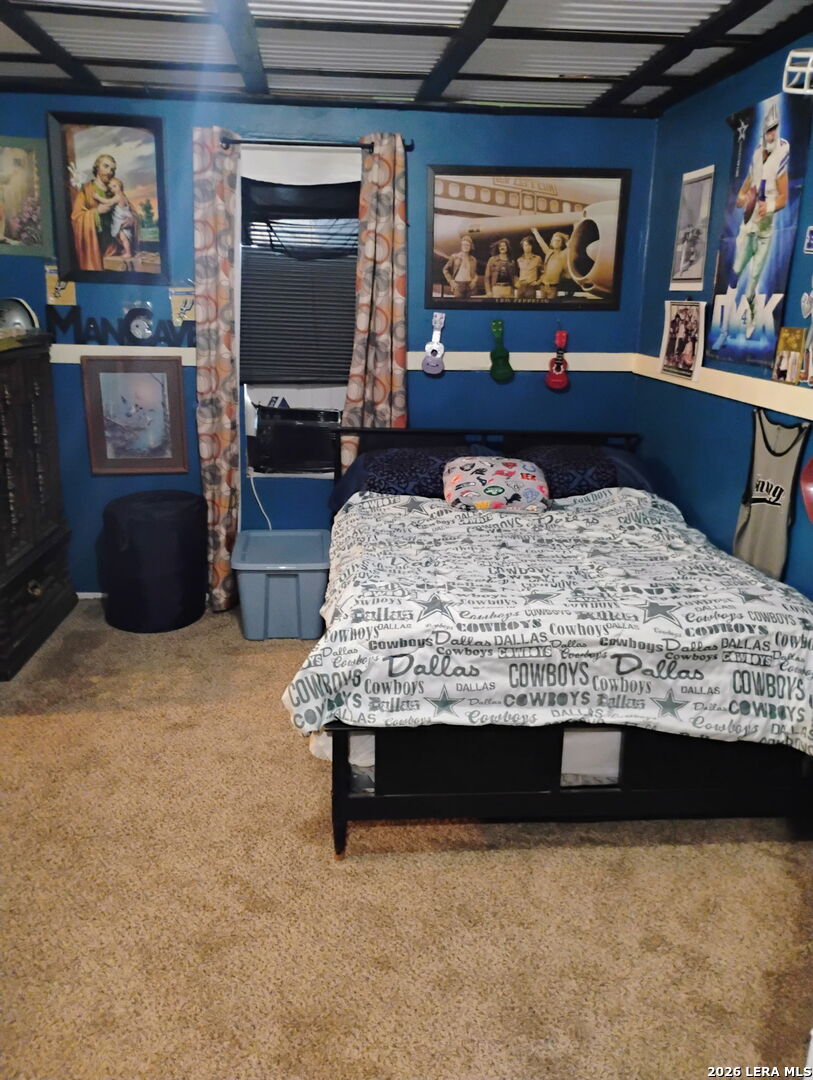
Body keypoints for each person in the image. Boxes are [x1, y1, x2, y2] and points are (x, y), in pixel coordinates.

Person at [714, 96, 790, 348]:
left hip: (765, 232)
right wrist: (742, 198)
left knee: (751, 287)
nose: (771, 133)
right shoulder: (757, 156)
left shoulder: (782, 154)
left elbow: (783, 197)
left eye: (774, 128)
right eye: (768, 129)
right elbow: (745, 189)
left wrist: (769, 206)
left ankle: (753, 316)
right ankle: (724, 329)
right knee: (734, 277)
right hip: (749, 227)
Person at [70, 153, 119, 272]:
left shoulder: (114, 190)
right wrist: (96, 212)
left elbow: (129, 211)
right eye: (106, 166)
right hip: (94, 245)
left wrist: (130, 219)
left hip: (113, 247)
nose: (109, 171)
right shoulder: (86, 190)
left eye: (112, 169)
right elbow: (76, 217)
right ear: (97, 167)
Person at [98, 176, 139, 266]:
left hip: (121, 221)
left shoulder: (118, 197)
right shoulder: (123, 196)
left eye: (114, 186)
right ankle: (126, 250)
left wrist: (97, 197)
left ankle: (128, 252)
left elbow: (108, 202)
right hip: (122, 219)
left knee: (123, 238)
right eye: (111, 188)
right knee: (124, 238)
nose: (112, 189)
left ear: (120, 186)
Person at [442, 234, 478, 299]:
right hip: (458, 285)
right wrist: (451, 281)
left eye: (467, 245)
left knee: (470, 304)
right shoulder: (454, 257)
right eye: (464, 245)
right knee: (458, 303)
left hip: (470, 286)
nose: (465, 246)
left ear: (470, 246)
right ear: (461, 246)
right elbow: (445, 269)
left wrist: (474, 281)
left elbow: (475, 273)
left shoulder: (473, 259)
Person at [538, 231, 570, 300]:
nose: (556, 242)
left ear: (562, 243)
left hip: (553, 288)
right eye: (554, 240)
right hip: (543, 286)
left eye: (558, 240)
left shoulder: (563, 254)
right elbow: (541, 242)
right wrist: (535, 232)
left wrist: (566, 239)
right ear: (552, 242)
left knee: (551, 305)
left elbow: (570, 248)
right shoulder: (548, 252)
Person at [514, 235, 543, 300]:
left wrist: (538, 282)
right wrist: (516, 282)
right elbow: (515, 274)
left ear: (532, 246)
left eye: (529, 245)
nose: (527, 247)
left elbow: (543, 273)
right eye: (525, 245)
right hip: (521, 287)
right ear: (523, 247)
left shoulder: (537, 259)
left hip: (531, 287)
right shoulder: (519, 260)